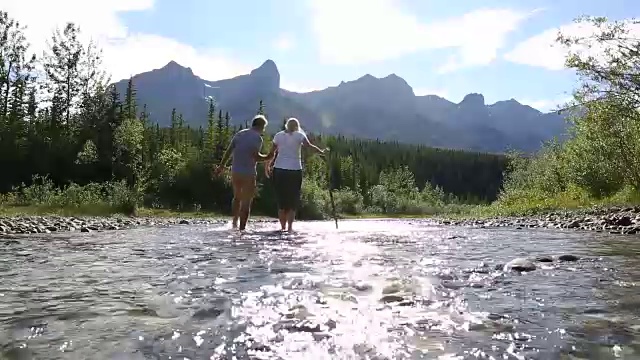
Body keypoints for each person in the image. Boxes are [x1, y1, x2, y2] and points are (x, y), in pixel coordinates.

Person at [265, 117, 328, 232]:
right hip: (295, 170)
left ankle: (282, 228)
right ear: (297, 126)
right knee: (292, 199)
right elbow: (309, 147)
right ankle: (289, 228)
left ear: (286, 125)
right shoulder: (300, 136)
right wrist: (321, 152)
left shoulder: (278, 136)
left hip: (279, 170)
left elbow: (272, 153)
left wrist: (267, 166)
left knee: (281, 200)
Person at [214, 114, 274, 231]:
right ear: (262, 126)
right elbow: (255, 157)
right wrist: (268, 157)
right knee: (246, 201)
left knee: (237, 197)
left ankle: (234, 223)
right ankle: (242, 230)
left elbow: (229, 151)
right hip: (248, 173)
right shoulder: (257, 138)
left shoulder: (240, 134)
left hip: (235, 171)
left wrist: (221, 166)